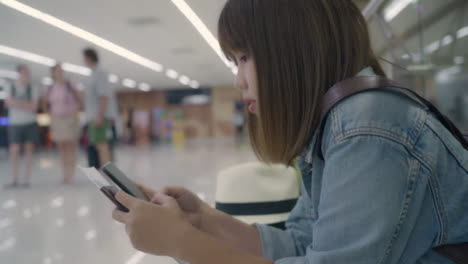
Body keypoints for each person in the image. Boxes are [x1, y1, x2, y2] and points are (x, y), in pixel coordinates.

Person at [111, 1, 468, 263]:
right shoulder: (332, 125)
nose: (238, 80)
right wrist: (203, 220)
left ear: (291, 47)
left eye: (245, 58)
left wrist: (181, 243)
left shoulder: (365, 125)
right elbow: (301, 243)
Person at [44, 63, 81, 184]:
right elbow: (45, 103)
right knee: (62, 148)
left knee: (71, 147)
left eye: (61, 70)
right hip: (57, 120)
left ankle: (71, 175)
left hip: (70, 119)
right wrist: (49, 114)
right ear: (53, 73)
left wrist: (76, 111)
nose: (60, 73)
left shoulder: (70, 85)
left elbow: (80, 99)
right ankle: (65, 175)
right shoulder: (50, 88)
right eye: (58, 71)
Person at [5, 65, 39, 188]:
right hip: (15, 123)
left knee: (29, 150)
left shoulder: (33, 88)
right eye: (24, 73)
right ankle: (14, 179)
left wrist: (16, 103)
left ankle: (26, 179)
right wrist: (26, 105)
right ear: (18, 73)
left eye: (27, 73)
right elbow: (8, 103)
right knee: (14, 151)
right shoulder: (10, 86)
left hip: (29, 123)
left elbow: (34, 107)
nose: (26, 75)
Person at [82, 48, 116, 166]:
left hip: (99, 116)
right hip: (93, 116)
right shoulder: (93, 74)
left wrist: (100, 116)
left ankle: (106, 174)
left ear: (89, 58)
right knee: (98, 144)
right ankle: (104, 171)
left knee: (102, 145)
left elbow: (103, 96)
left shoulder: (100, 73)